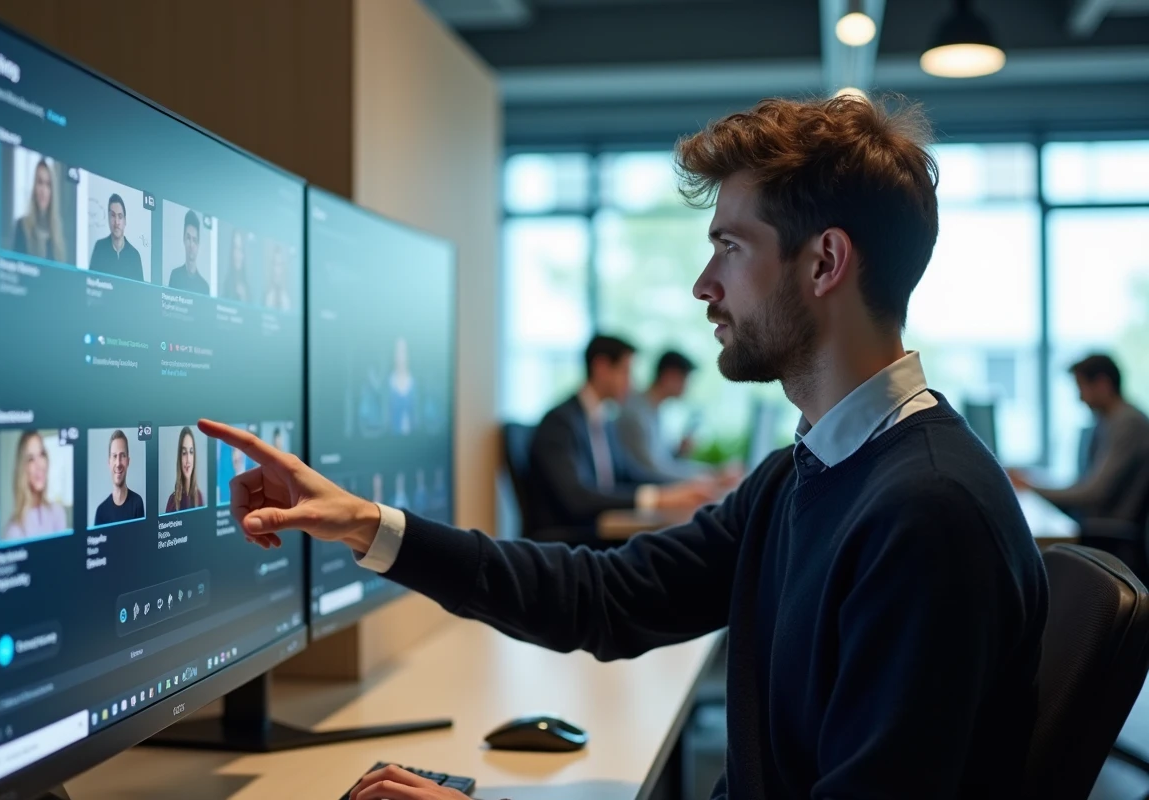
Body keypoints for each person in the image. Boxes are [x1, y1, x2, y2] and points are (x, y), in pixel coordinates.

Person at [201, 95, 1048, 800]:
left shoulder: (926, 516)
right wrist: (366, 525)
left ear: (824, 262)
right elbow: (607, 596)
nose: (702, 284)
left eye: (729, 244)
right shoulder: (812, 474)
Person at [524, 335, 717, 542]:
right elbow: (576, 498)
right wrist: (656, 499)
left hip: (599, 528)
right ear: (602, 368)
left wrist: (677, 491)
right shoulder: (561, 422)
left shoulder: (603, 421)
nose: (631, 383)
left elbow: (629, 472)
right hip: (568, 540)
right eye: (626, 372)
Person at [1009, 354, 1149, 522]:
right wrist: (1033, 484)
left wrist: (1032, 488)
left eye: (1081, 388)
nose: (1080, 398)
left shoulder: (1127, 423)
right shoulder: (1107, 422)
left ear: (1102, 384)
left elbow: (1094, 493)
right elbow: (1085, 485)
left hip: (1107, 527)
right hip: (1096, 521)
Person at [616, 349, 712, 481]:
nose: (687, 386)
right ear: (669, 376)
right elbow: (650, 470)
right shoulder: (636, 413)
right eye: (684, 379)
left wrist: (679, 452)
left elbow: (662, 462)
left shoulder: (654, 410)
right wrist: (707, 477)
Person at [2, 431, 68, 542]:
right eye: (31, 459)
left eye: (41, 454)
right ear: (22, 468)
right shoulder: (14, 530)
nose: (39, 465)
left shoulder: (58, 512)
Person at [11, 158, 67, 263]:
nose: (43, 190)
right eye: (40, 182)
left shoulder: (57, 232)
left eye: (48, 184)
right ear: (34, 187)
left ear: (52, 191)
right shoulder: (22, 226)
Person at [93, 430, 145, 526]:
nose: (118, 463)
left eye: (123, 456)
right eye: (114, 456)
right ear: (109, 462)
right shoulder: (101, 511)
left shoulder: (137, 503)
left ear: (128, 461)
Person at [88, 193, 144, 281]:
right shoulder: (99, 247)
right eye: (113, 215)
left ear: (125, 221)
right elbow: (91, 282)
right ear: (108, 218)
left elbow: (141, 292)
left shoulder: (134, 256)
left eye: (120, 216)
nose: (116, 222)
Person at [168, 210, 211, 295]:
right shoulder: (175, 276)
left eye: (194, 240)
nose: (191, 245)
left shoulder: (204, 287)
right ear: (183, 239)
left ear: (198, 244)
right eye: (188, 238)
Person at [165, 426, 204, 512]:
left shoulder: (199, 497)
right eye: (184, 453)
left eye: (191, 452)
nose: (188, 460)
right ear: (179, 457)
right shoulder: (172, 502)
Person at [387, 337, 417, 435]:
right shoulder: (388, 383)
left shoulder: (415, 383)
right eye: (397, 352)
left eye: (403, 351)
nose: (400, 356)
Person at [221, 228, 252, 303]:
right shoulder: (226, 285)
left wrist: (244, 298)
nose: (237, 254)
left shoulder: (248, 289)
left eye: (240, 249)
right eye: (235, 248)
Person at [263, 244, 292, 311]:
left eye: (279, 265)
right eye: (274, 264)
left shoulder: (287, 299)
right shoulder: (266, 296)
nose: (276, 270)